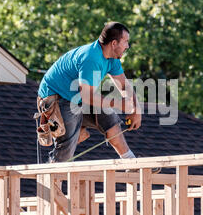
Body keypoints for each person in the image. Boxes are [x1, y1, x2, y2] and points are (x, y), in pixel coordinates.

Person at [37, 22, 144, 166]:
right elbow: (87, 96)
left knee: (110, 120)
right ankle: (50, 184)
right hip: (56, 97)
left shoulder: (112, 59)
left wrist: (137, 110)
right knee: (67, 146)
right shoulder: (91, 58)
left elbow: (124, 85)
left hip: (77, 97)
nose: (127, 46)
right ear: (114, 43)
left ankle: (131, 164)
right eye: (125, 42)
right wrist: (118, 103)